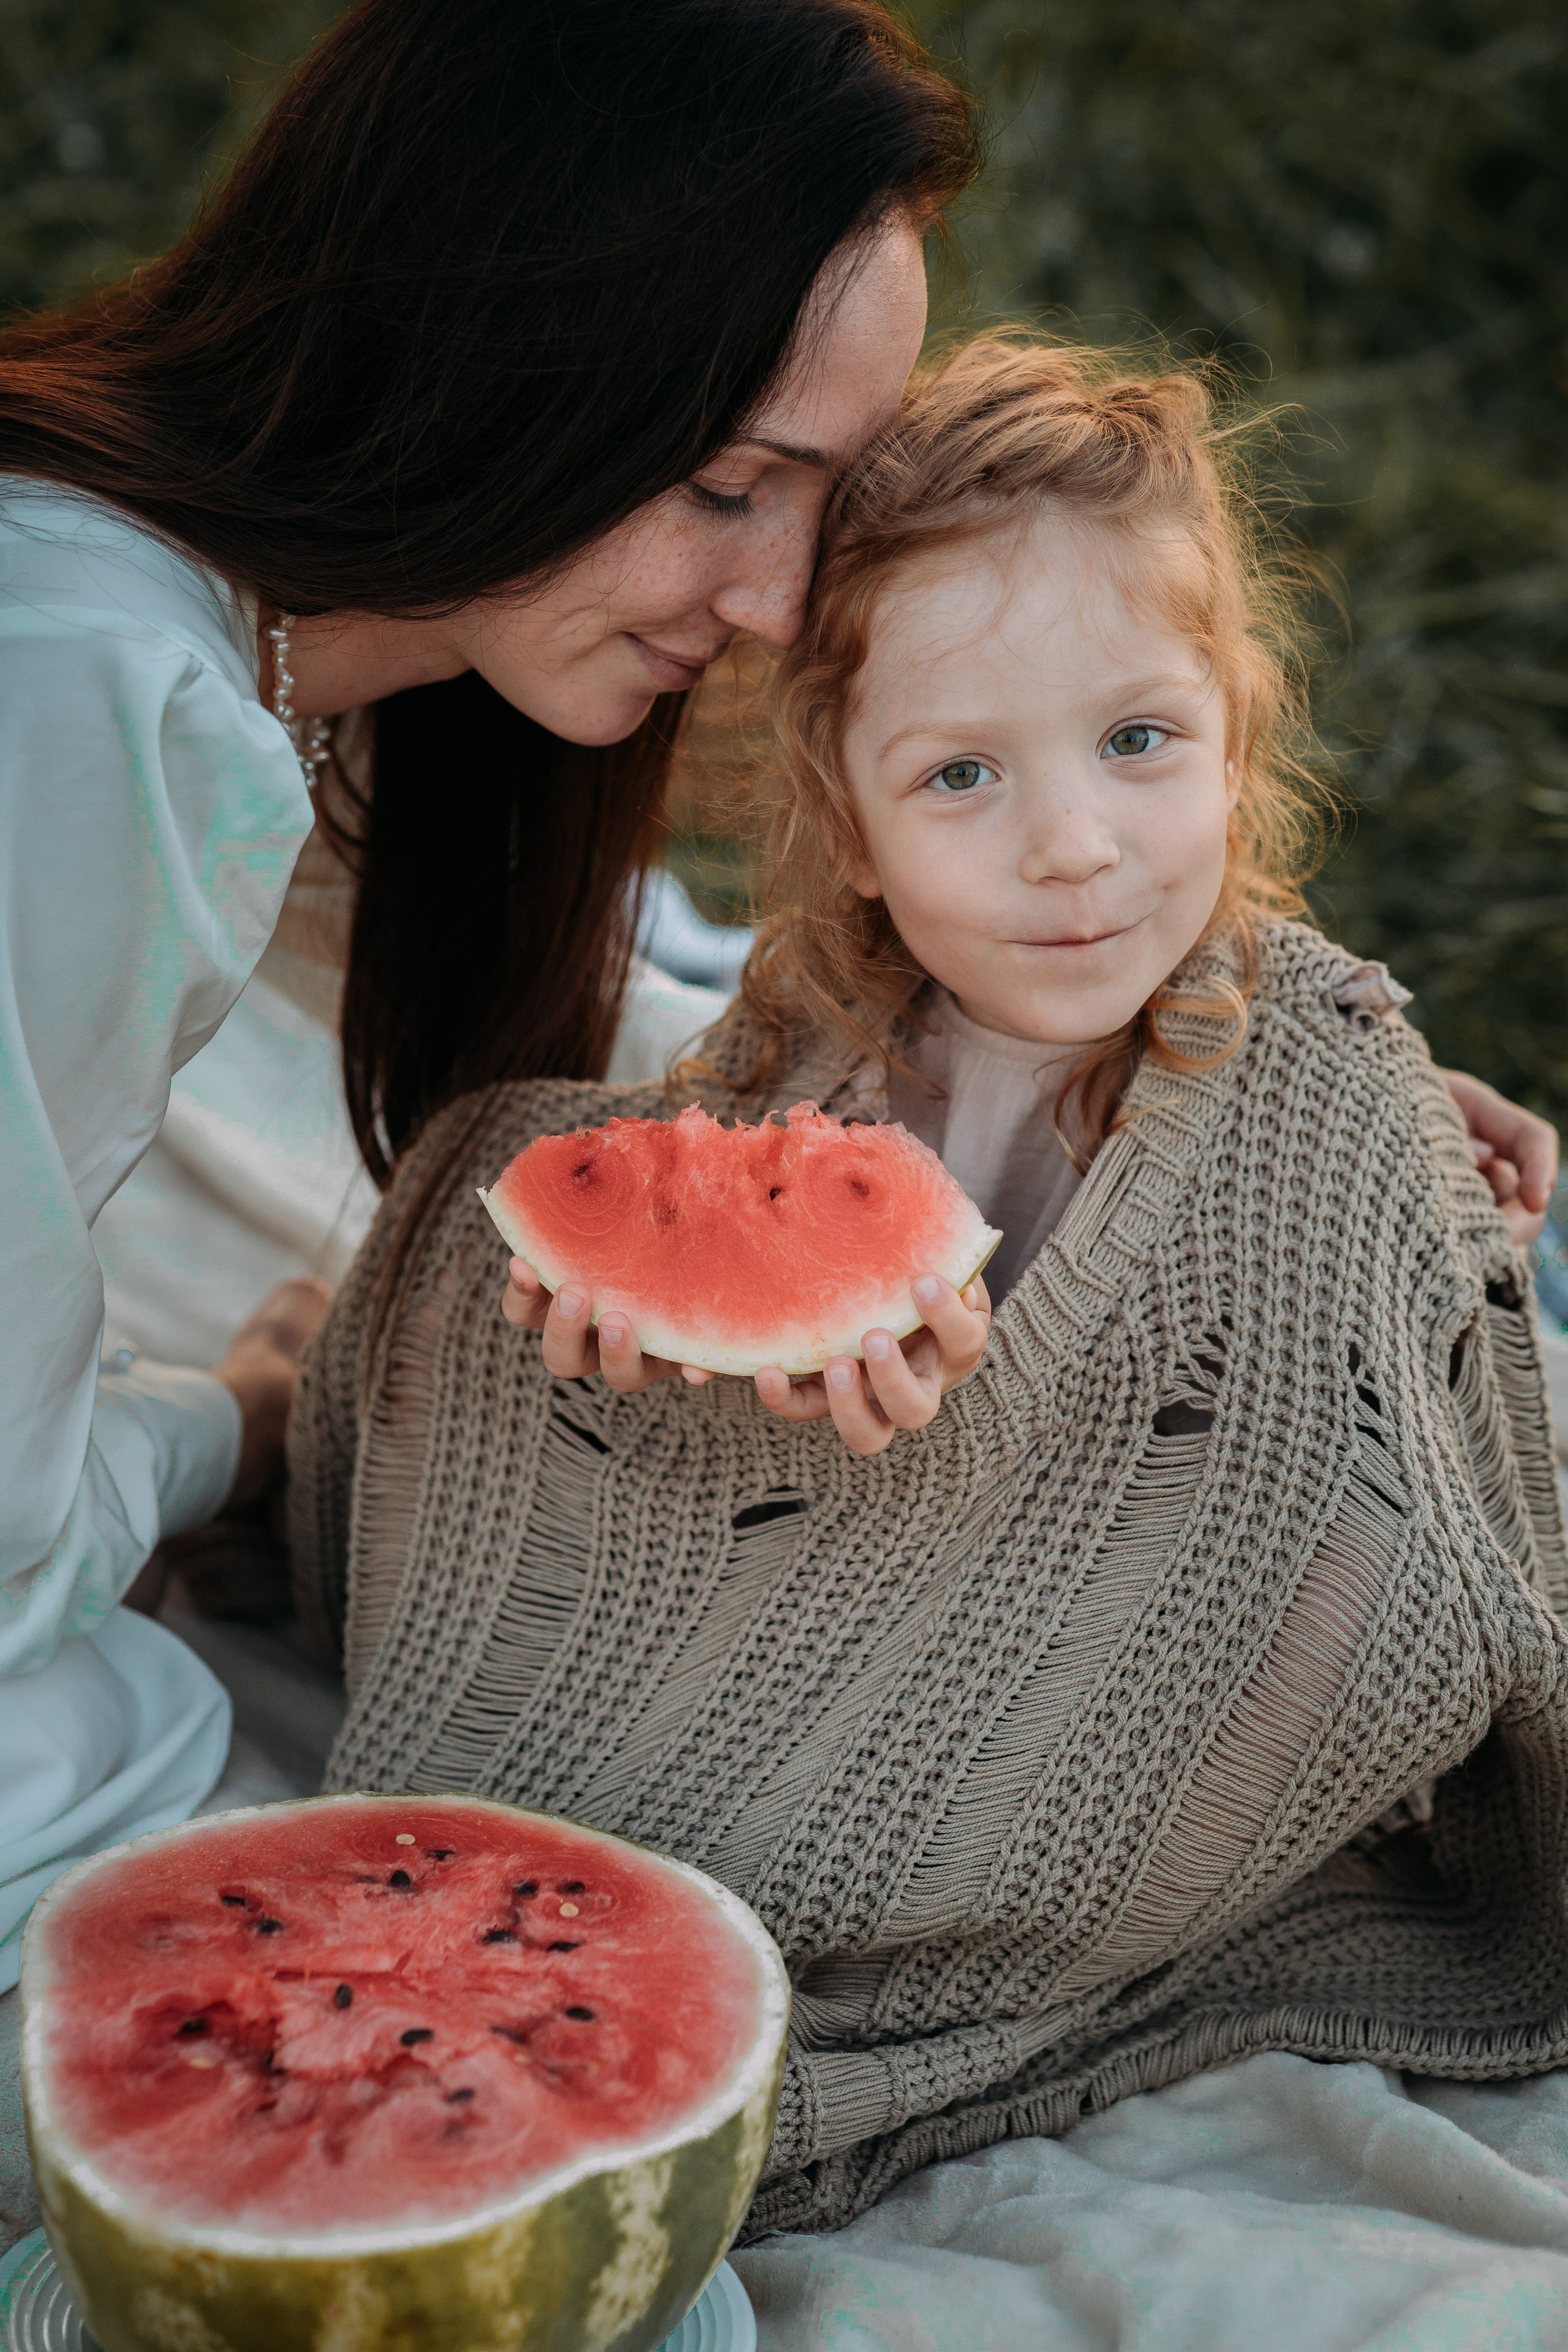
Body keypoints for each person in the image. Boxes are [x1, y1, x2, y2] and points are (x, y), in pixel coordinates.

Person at [289, 337, 1568, 2245]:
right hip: (855, 1597)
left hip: (1136, 1669)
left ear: (1234, 721)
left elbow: (1366, 1515)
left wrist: (1411, 1143)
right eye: (962, 774)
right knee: (477, 1220)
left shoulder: (1309, 1070)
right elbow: (709, 1253)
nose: (1074, 849)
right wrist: (666, 1383)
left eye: (1142, 741)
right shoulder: (825, 1037)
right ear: (854, 827)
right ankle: (259, 1406)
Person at [0, 0, 980, 2038]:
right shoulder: (84, 698)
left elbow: (640, 984)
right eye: (730, 485)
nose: (786, 603)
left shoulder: (263, 646)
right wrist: (231, 1431)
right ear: (498, 361)